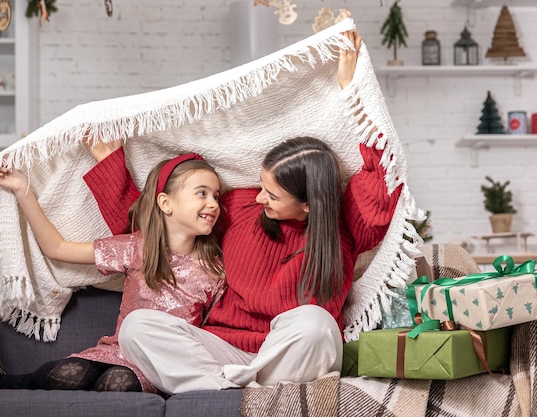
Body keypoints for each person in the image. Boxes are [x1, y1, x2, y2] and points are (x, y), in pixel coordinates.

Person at [80, 30, 403, 395]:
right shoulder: (239, 209)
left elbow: (384, 175)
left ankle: (237, 391)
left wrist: (352, 90)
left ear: (309, 204)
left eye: (273, 194)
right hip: (223, 353)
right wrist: (110, 164)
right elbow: (159, 221)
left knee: (317, 323)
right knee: (138, 327)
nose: (259, 197)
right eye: (261, 185)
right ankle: (238, 394)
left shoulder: (346, 227)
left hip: (289, 355)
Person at [0, 152, 226, 393]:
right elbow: (57, 248)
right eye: (202, 193)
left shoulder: (216, 271)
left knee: (117, 384)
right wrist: (23, 189)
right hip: (117, 351)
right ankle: (7, 385)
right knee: (66, 374)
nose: (214, 204)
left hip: (160, 365)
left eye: (216, 196)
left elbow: (207, 336)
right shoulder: (136, 248)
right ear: (166, 203)